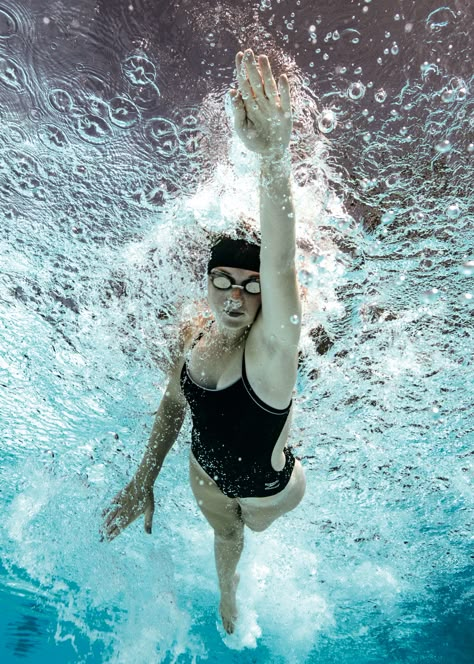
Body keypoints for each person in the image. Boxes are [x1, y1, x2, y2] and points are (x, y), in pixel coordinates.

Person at [102, 48, 306, 635]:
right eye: (224, 283)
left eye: (250, 286)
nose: (237, 297)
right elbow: (172, 405)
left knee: (250, 524)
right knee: (224, 534)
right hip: (206, 472)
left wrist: (274, 159)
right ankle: (229, 601)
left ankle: (289, 423)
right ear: (208, 283)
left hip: (270, 490)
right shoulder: (192, 335)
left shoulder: (270, 347)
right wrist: (142, 482)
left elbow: (282, 263)